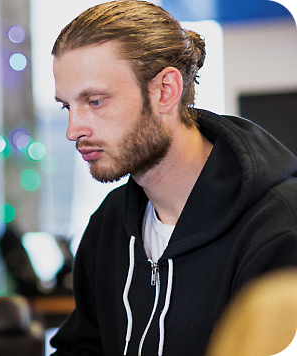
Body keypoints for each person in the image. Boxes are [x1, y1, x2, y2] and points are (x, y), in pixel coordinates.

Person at [48, 1, 297, 355]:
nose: (74, 129)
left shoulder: (279, 227)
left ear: (165, 90)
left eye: (96, 101)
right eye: (67, 106)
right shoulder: (110, 224)